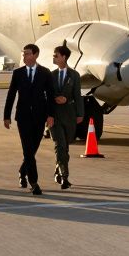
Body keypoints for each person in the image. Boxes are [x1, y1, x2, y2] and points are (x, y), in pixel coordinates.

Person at [3, 44, 53, 195]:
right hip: (23, 117)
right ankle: (34, 182)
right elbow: (11, 95)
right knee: (28, 150)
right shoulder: (18, 73)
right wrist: (6, 116)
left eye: (27, 54)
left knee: (33, 148)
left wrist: (51, 115)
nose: (24, 56)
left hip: (39, 116)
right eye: (23, 54)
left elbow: (50, 96)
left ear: (36, 55)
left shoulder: (45, 73)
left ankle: (22, 171)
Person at [49, 45, 81, 190]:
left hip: (69, 115)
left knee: (65, 147)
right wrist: (56, 99)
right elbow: (47, 95)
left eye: (56, 55)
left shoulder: (74, 75)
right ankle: (64, 177)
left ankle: (58, 170)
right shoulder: (51, 75)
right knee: (59, 145)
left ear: (64, 57)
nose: (54, 58)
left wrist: (80, 114)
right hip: (55, 116)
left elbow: (77, 96)